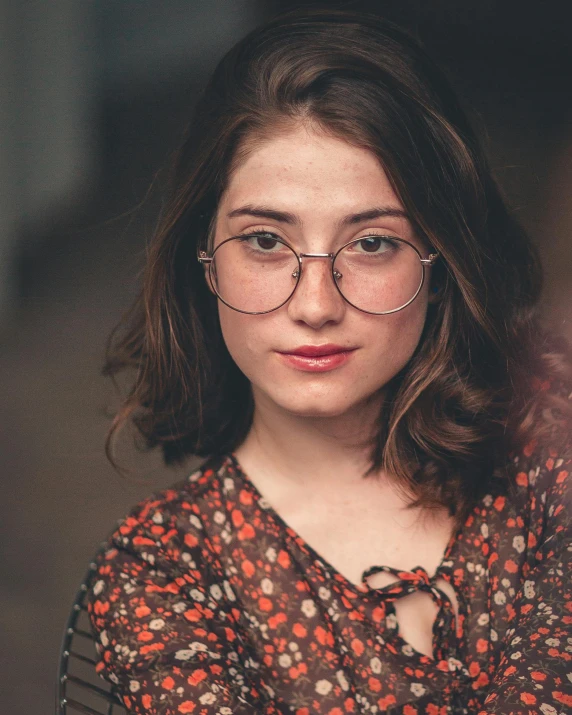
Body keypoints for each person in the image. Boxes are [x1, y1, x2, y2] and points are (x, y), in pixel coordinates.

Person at [87, 8, 572, 714]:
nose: (315, 304)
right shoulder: (159, 571)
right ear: (205, 263)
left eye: (373, 242)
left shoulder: (547, 431)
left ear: (440, 264)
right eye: (265, 240)